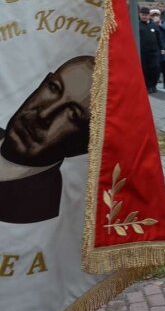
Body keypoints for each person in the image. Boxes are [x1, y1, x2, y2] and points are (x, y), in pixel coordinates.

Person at [0, 56, 94, 223]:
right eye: (53, 88)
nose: (44, 114)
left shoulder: (39, 207)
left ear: (82, 145)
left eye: (73, 114)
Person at [138, 6, 164, 93]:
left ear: (149, 15)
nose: (144, 16)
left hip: (154, 51)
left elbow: (158, 37)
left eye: (146, 15)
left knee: (156, 68)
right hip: (143, 52)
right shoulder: (137, 25)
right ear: (140, 15)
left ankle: (153, 84)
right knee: (145, 69)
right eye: (142, 15)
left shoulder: (154, 25)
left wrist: (162, 48)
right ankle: (148, 86)